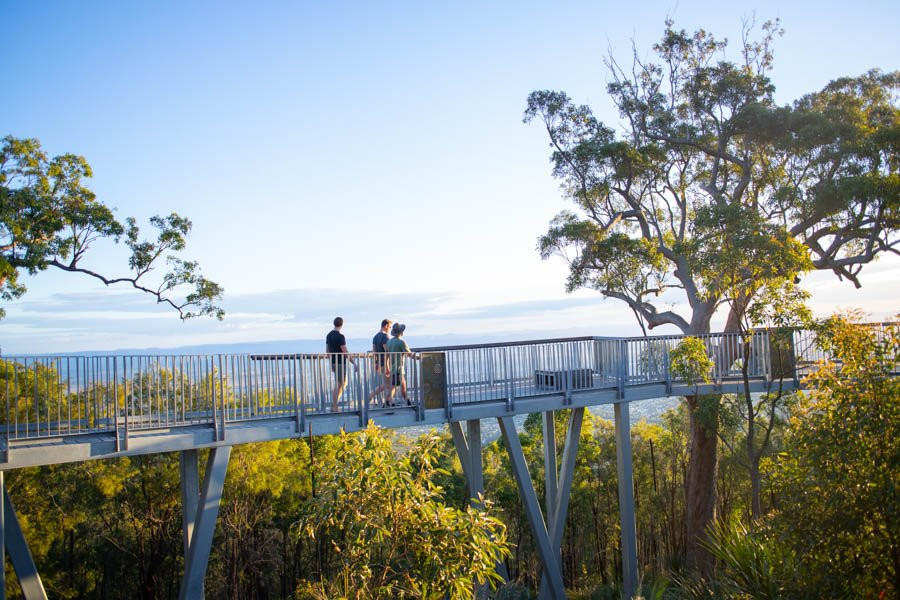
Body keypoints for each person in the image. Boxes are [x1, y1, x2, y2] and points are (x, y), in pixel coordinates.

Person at [325, 317, 356, 412]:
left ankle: (334, 403)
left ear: (334, 323)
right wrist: (354, 362)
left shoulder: (329, 335)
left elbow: (327, 350)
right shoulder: (340, 337)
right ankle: (334, 405)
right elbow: (345, 351)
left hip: (334, 362)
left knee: (342, 383)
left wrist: (331, 363)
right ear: (342, 324)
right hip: (340, 362)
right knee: (340, 383)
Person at [386, 322, 417, 405]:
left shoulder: (389, 342)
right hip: (399, 368)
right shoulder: (401, 342)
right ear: (401, 332)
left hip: (393, 368)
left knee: (400, 385)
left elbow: (387, 356)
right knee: (396, 386)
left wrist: (387, 367)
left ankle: (407, 401)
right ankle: (387, 401)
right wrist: (419, 358)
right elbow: (410, 354)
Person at [368, 318, 393, 407]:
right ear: (386, 326)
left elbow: (374, 352)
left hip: (381, 363)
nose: (390, 329)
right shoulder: (385, 336)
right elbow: (387, 352)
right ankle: (387, 403)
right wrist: (387, 366)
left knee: (387, 384)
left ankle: (374, 396)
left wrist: (376, 363)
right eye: (389, 327)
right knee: (391, 384)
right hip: (387, 364)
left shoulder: (375, 337)